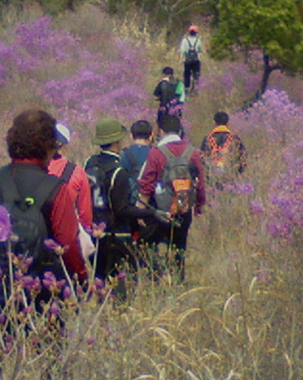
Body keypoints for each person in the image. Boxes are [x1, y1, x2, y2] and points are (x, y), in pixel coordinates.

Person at [0, 109, 88, 340]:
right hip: (42, 294)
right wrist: (81, 279)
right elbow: (67, 245)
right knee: (46, 362)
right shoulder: (56, 188)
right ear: (48, 146)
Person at [84, 117, 154, 291]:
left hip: (94, 232)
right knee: (121, 285)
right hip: (116, 234)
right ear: (117, 141)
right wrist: (149, 213)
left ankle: (101, 313)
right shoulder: (118, 171)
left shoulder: (89, 163)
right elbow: (122, 209)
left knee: (99, 279)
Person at [137, 114, 206, 282]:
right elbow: (200, 182)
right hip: (183, 208)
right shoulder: (192, 152)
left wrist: (141, 210)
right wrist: (198, 205)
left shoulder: (156, 153)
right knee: (179, 247)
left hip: (161, 210)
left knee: (150, 245)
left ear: (161, 131)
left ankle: (157, 279)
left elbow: (147, 183)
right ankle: (178, 281)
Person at [48, 122, 94, 249]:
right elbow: (85, 214)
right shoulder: (76, 171)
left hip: (38, 236)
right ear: (63, 145)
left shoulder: (31, 169)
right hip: (67, 238)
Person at [200, 111, 246, 184]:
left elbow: (202, 160)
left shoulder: (207, 139)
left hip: (212, 179)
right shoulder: (235, 139)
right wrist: (237, 174)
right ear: (227, 123)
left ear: (214, 122)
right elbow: (243, 158)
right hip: (230, 178)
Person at [179, 24, 203, 94]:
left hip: (187, 61)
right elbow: (200, 50)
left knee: (187, 75)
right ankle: (195, 90)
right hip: (196, 60)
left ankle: (186, 90)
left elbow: (182, 51)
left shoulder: (184, 40)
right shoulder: (198, 40)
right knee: (196, 75)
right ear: (196, 32)